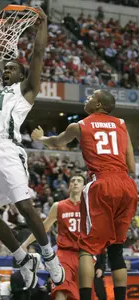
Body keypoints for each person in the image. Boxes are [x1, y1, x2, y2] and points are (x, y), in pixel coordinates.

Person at [0, 7, 64, 290]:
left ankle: (49, 256)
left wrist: (42, 26)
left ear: (23, 75)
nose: (6, 70)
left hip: (7, 149)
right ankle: (24, 259)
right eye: (6, 67)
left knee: (24, 205)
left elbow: (38, 54)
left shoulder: (26, 91)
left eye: (12, 68)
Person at [31, 89, 138, 300]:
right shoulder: (122, 124)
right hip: (127, 185)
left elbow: (56, 143)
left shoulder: (79, 125)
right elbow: (132, 166)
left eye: (91, 97)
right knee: (117, 247)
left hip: (102, 183)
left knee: (87, 249)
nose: (86, 99)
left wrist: (41, 138)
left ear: (99, 105)